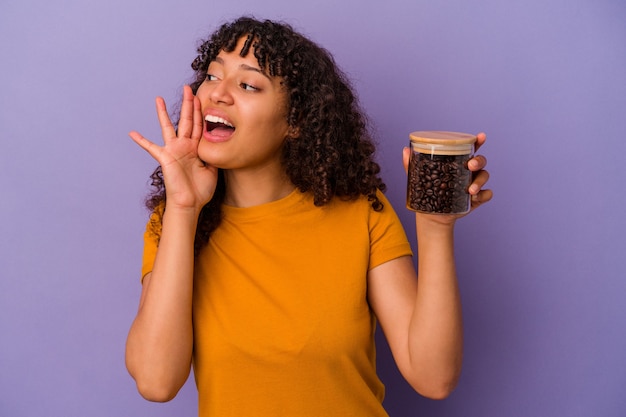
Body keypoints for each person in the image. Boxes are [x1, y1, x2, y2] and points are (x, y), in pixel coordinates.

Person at [125, 16, 492, 417]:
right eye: (213, 76)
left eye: (248, 84)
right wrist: (182, 209)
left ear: (296, 122)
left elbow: (433, 376)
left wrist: (435, 227)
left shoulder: (360, 212)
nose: (218, 94)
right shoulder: (177, 222)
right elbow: (156, 382)